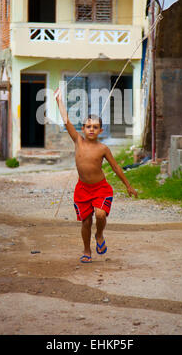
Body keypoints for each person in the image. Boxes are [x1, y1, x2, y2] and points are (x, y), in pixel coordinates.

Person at [54, 87, 138, 263]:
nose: (91, 129)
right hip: (83, 189)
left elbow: (116, 168)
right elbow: (66, 119)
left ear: (101, 131)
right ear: (83, 129)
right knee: (85, 222)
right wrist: (59, 100)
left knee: (100, 215)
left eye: (95, 127)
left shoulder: (103, 148)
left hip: (100, 188)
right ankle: (87, 250)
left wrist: (128, 186)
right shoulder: (78, 141)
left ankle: (99, 235)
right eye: (88, 127)